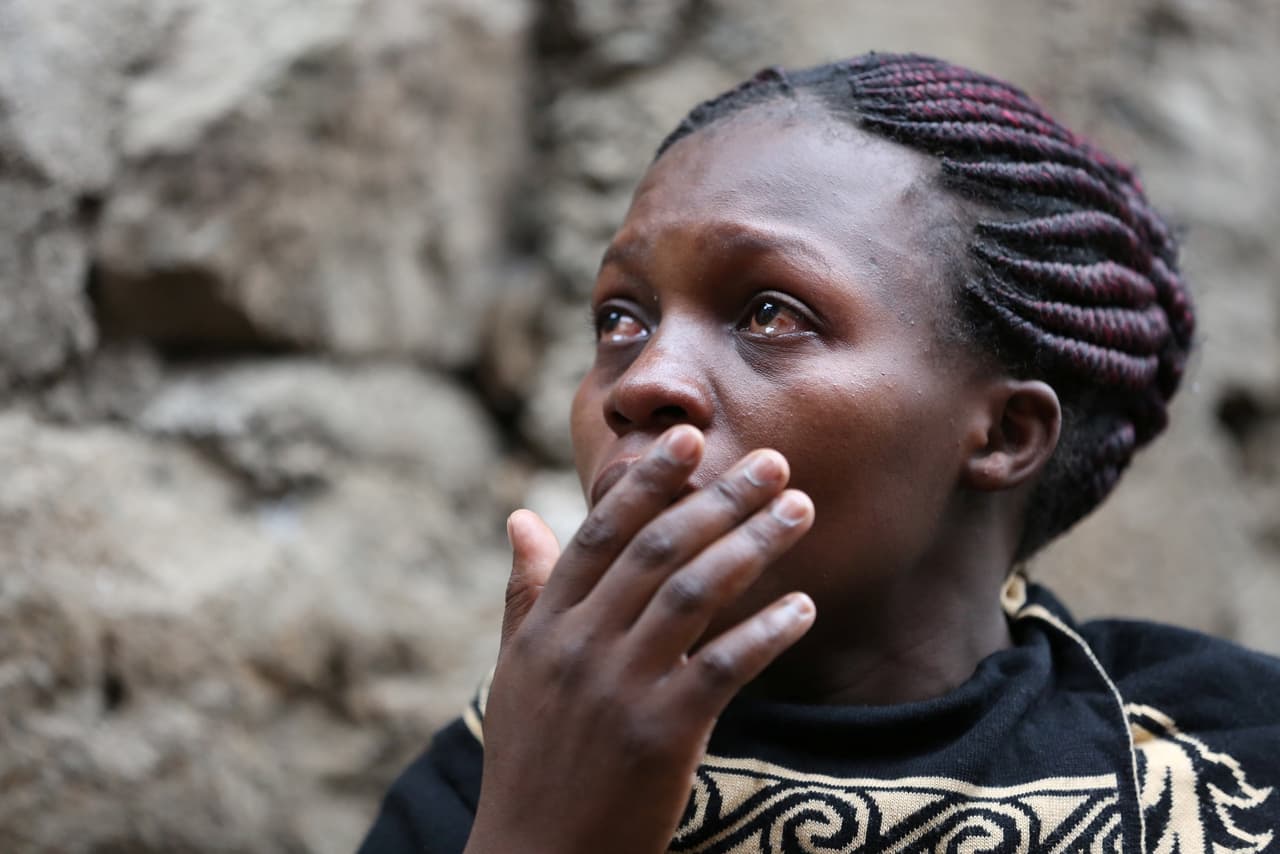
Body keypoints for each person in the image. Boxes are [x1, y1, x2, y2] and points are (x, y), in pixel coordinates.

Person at [358, 53, 1280, 853]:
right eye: (620, 319)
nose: (643, 380)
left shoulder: (1220, 772)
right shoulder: (496, 772)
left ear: (1003, 436)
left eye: (770, 314)